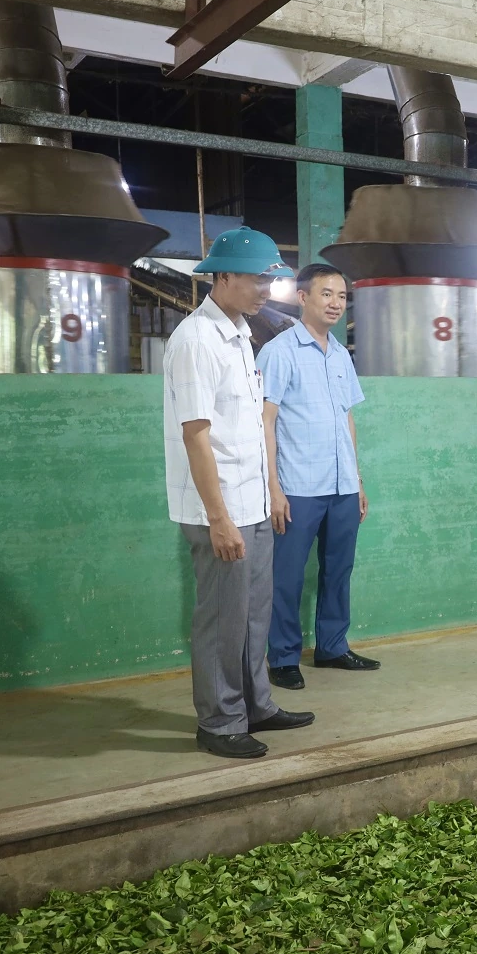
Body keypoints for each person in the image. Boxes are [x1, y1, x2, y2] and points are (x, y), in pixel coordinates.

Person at [163, 227, 313, 759]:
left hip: (252, 502)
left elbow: (248, 429)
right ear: (222, 277)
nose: (265, 291)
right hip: (220, 507)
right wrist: (219, 517)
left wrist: (271, 491)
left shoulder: (242, 336)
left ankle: (255, 705)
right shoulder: (196, 341)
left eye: (270, 281)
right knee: (221, 619)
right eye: (255, 280)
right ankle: (220, 722)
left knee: (253, 615)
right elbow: (197, 436)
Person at [256, 263, 376, 691]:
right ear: (302, 297)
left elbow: (347, 419)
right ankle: (283, 657)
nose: (336, 303)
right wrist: (273, 487)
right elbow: (265, 420)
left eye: (342, 296)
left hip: (342, 485)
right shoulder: (279, 352)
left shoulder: (341, 354)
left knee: (339, 569)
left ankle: (332, 647)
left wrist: (357, 480)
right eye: (326, 294)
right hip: (298, 486)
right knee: (287, 576)